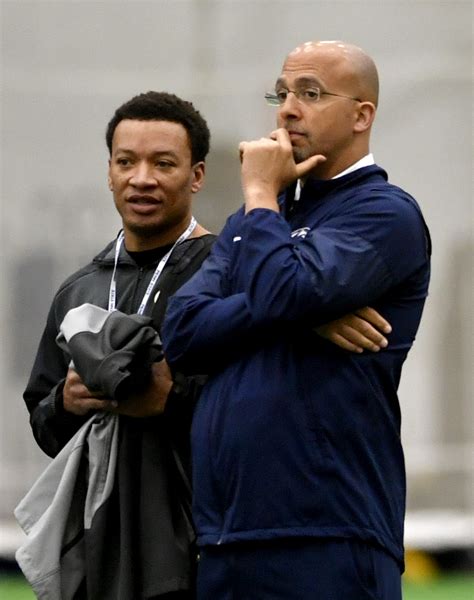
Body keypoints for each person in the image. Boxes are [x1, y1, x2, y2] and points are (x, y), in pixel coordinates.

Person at [22, 89, 389, 599]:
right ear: (109, 172)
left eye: (163, 163)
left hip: (214, 539)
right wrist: (65, 402)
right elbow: (43, 420)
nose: (142, 178)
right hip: (104, 546)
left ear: (196, 176)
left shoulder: (230, 269)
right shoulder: (78, 290)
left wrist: (172, 398)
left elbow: (265, 397)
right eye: (126, 162)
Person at [162, 41, 431, 599]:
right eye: (281, 94)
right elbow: (183, 332)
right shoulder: (253, 221)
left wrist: (261, 193)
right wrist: (301, 315)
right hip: (225, 535)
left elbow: (283, 290)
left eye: (309, 94)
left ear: (362, 115)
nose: (286, 110)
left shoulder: (385, 213)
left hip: (328, 534)